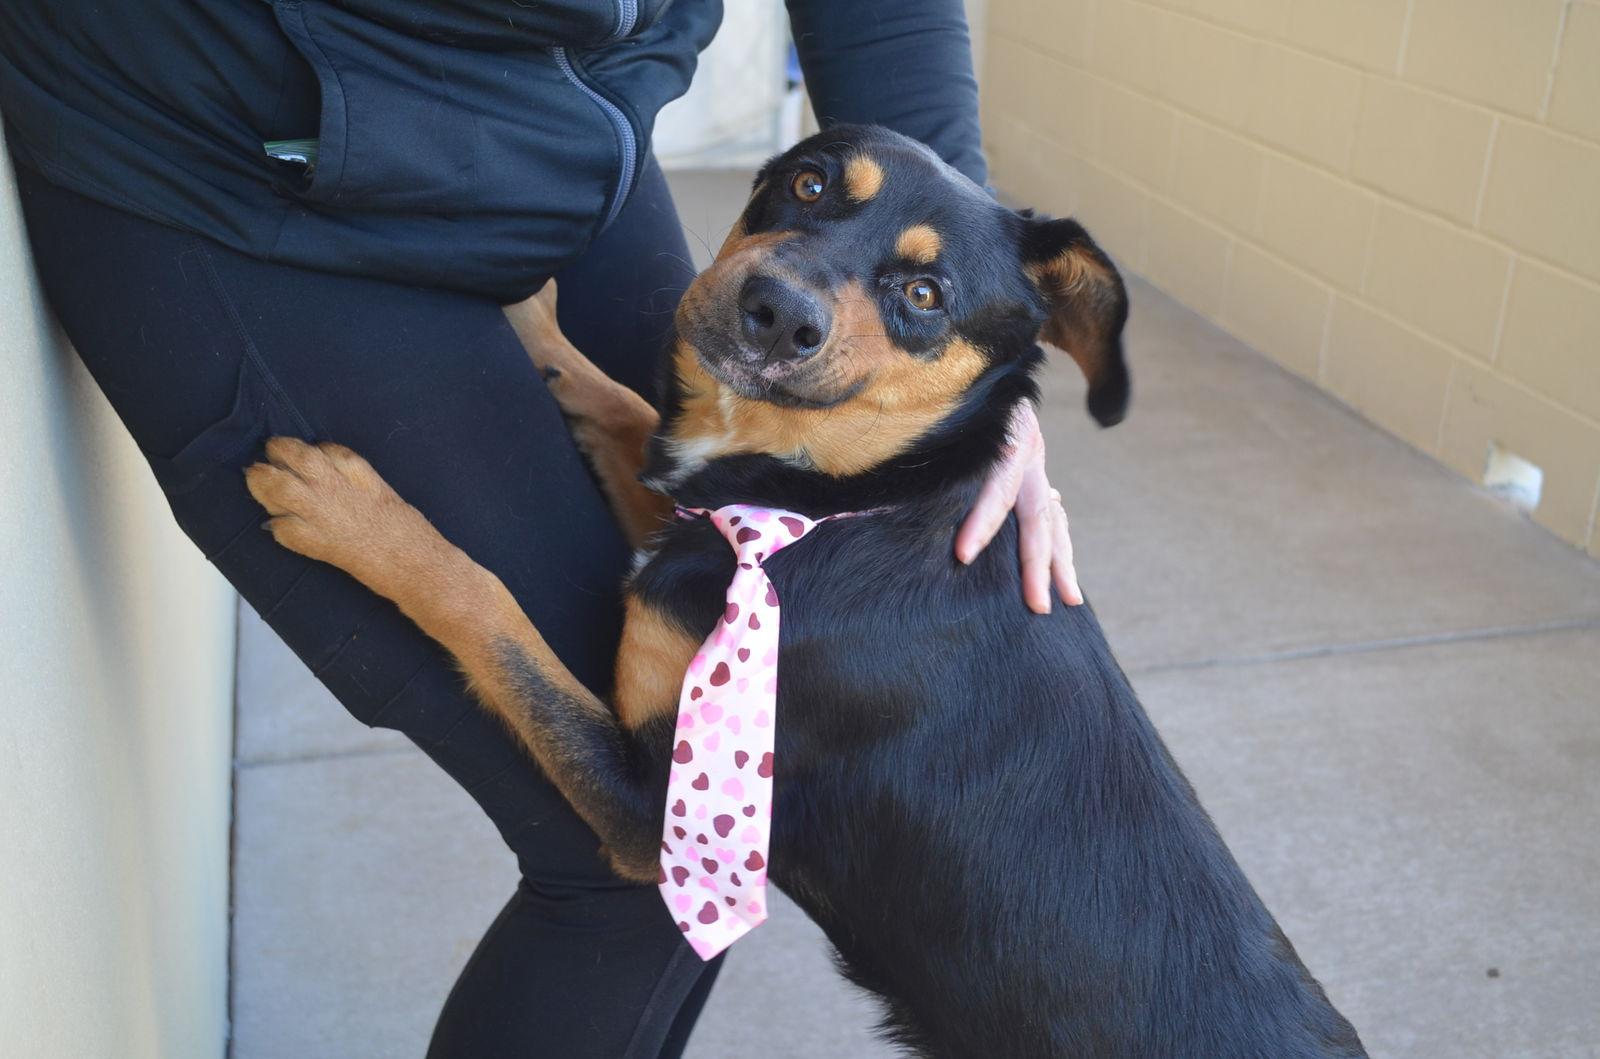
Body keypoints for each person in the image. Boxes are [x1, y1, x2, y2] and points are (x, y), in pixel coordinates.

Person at [0, 2, 1081, 1054]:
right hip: (240, 148)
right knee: (641, 872)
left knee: (706, 837)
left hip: (554, 125)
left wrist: (974, 317)